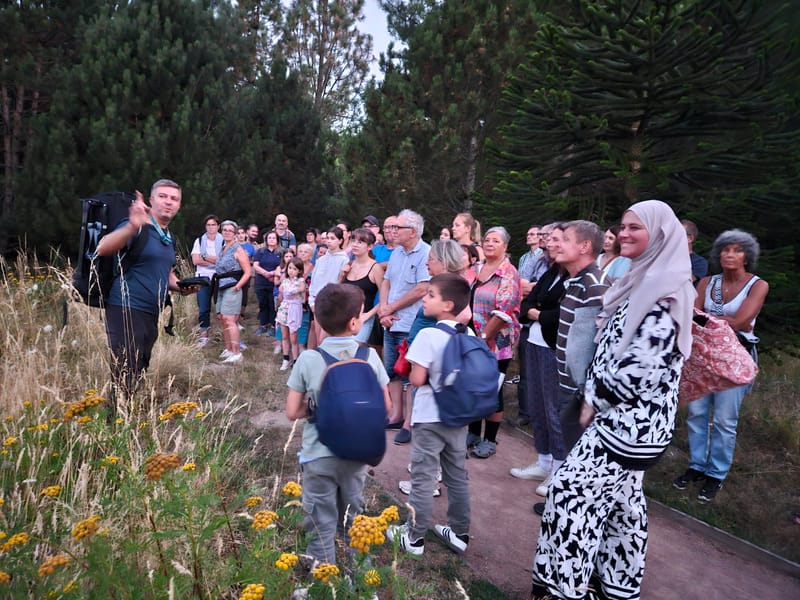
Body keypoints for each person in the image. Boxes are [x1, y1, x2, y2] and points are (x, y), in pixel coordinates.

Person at [531, 199, 695, 600]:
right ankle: (617, 588)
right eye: (622, 226)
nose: (623, 234)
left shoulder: (666, 289)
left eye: (635, 228)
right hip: (625, 422)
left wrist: (593, 399)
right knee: (623, 509)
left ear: (659, 234)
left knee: (571, 497)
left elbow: (643, 368)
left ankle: (562, 590)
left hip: (626, 424)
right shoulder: (642, 277)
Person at [285, 283, 391, 567]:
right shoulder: (369, 356)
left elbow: (292, 411)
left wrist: (321, 406)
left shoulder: (308, 358)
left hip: (318, 455)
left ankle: (323, 585)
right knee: (353, 522)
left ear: (317, 320)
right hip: (356, 456)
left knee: (320, 523)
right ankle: (363, 584)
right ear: (355, 322)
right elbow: (388, 408)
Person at [673, 229, 768, 503]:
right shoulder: (706, 282)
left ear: (747, 256)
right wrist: (715, 320)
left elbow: (741, 321)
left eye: (737, 250)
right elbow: (691, 314)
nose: (730, 254)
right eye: (726, 249)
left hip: (736, 359)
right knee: (697, 414)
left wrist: (707, 319)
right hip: (702, 358)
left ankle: (717, 473)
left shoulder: (758, 285)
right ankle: (696, 466)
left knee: (725, 420)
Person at [387, 273, 472, 556]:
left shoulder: (427, 334)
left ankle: (413, 537)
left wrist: (413, 366)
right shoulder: (468, 334)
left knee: (423, 477)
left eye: (431, 295)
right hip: (458, 415)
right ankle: (459, 533)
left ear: (447, 304)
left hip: (430, 417)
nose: (425, 298)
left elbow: (419, 379)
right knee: (456, 475)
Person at [97, 179, 197, 398]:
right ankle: (116, 420)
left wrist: (181, 287)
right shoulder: (136, 225)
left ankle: (127, 412)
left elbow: (167, 274)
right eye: (163, 196)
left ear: (179, 205)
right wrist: (132, 225)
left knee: (140, 364)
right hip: (125, 306)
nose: (168, 202)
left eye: (174, 199)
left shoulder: (168, 237)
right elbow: (102, 248)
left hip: (151, 312)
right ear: (151, 200)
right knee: (125, 365)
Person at [533, 220, 608, 504]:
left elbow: (595, 346)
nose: (555, 244)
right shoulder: (574, 281)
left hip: (582, 390)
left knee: (579, 452)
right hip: (567, 381)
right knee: (569, 444)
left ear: (585, 247)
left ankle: (570, 507)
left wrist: (586, 391)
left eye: (564, 239)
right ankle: (561, 503)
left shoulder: (595, 285)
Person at [394, 239, 473, 446]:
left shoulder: (453, 285)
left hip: (432, 350)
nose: (427, 263)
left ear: (443, 261)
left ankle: (426, 435)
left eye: (431, 259)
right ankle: (409, 424)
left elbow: (464, 315)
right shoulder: (437, 282)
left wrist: (438, 334)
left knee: (423, 388)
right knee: (413, 385)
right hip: (420, 346)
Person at [510, 226, 565, 481]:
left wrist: (538, 314)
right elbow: (527, 302)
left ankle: (558, 469)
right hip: (534, 339)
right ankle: (544, 461)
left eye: (554, 239)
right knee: (538, 405)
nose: (548, 243)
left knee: (553, 408)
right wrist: (535, 312)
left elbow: (561, 314)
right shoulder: (551, 271)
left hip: (552, 346)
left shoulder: (576, 278)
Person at [467, 226, 521, 459]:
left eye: (495, 241)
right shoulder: (477, 269)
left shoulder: (509, 274)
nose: (489, 244)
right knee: (472, 385)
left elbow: (504, 312)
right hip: (473, 337)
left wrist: (482, 339)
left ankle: (489, 438)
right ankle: (472, 432)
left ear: (505, 246)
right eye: (487, 240)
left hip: (495, 342)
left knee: (491, 389)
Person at [378, 209, 431, 428]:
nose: (392, 231)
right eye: (390, 227)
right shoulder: (397, 253)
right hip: (390, 322)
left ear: (412, 231)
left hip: (410, 324)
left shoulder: (426, 253)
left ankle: (410, 422)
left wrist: (391, 308)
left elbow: (422, 289)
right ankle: (396, 416)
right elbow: (386, 282)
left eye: (397, 227)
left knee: (410, 375)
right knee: (391, 371)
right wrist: (384, 309)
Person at [513, 224, 543, 428]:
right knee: (524, 368)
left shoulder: (545, 258)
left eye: (534, 233)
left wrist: (528, 287)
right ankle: (524, 412)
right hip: (523, 309)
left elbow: (536, 284)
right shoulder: (524, 258)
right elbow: (519, 282)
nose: (529, 236)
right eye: (528, 233)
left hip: (537, 311)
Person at [215, 220, 251, 364]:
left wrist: (237, 286)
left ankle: (237, 353)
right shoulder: (223, 248)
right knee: (223, 319)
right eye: (225, 230)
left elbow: (247, 272)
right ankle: (229, 349)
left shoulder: (238, 249)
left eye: (230, 230)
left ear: (235, 234)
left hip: (232, 286)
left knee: (230, 320)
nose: (227, 232)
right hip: (221, 286)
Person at [341, 228, 384, 344]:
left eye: (360, 242)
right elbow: (339, 292)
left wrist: (367, 315)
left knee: (354, 352)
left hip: (363, 318)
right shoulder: (349, 265)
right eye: (353, 241)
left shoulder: (375, 268)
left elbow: (385, 297)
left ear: (369, 246)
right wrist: (342, 275)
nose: (355, 245)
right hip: (345, 317)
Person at [308, 227, 350, 345]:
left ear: (340, 241)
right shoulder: (321, 260)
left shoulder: (344, 260)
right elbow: (314, 282)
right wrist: (312, 301)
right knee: (318, 338)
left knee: (325, 338)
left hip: (331, 303)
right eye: (327, 238)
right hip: (317, 301)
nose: (329, 241)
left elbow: (340, 283)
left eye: (333, 238)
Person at [190, 215, 222, 347]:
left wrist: (205, 257)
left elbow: (224, 260)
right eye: (208, 225)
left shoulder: (223, 241)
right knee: (203, 307)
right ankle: (204, 336)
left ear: (218, 226)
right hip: (203, 277)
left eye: (213, 225)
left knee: (222, 308)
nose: (211, 227)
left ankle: (229, 334)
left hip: (220, 277)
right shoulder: (199, 240)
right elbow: (196, 260)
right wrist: (216, 261)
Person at [276, 257, 306, 370]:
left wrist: (293, 290)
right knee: (284, 335)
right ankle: (285, 358)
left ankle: (295, 359)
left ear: (299, 271)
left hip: (294, 309)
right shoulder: (285, 281)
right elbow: (281, 290)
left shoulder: (300, 281)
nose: (291, 271)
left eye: (294, 269)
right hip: (284, 308)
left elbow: (302, 289)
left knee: (293, 337)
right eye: (289, 268)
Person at [252, 231, 281, 336]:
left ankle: (273, 326)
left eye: (274, 238)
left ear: (277, 240)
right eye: (270, 238)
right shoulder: (260, 251)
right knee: (262, 304)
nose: (272, 239)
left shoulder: (281, 252)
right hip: (261, 282)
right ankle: (263, 325)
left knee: (273, 305)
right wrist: (265, 273)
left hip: (275, 282)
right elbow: (255, 265)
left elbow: (283, 266)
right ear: (266, 240)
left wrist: (272, 274)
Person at [682, 219, 709, 285]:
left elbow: (683, 281)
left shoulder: (699, 262)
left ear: (690, 238)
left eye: (677, 234)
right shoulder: (663, 256)